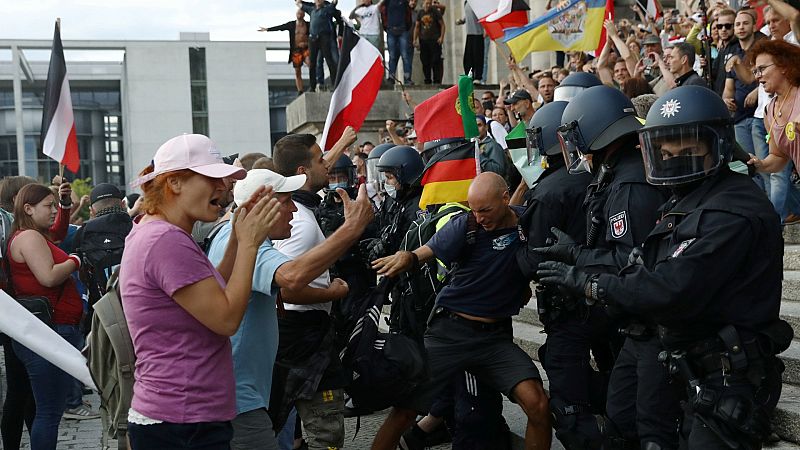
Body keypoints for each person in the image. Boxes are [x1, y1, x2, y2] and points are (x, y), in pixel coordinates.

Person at [538, 85, 787, 449]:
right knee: (628, 425)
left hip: (723, 369)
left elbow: (669, 286)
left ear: (717, 145)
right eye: (665, 152)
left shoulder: (729, 210)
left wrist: (589, 280)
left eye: (688, 150)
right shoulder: (689, 198)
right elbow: (647, 261)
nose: (675, 161)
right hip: (685, 354)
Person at [120, 134, 281, 449]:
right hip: (182, 419)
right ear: (174, 183)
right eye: (211, 178)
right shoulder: (166, 240)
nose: (223, 187)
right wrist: (250, 244)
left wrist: (237, 238)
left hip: (179, 415)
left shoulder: (158, 231)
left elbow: (213, 291)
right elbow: (226, 319)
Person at [369, 172, 552, 450]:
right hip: (450, 333)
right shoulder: (465, 225)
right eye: (474, 210)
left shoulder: (527, 223)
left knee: (538, 404)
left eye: (485, 210)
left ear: (505, 199)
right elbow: (425, 252)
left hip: (495, 340)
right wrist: (407, 257)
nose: (479, 217)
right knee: (405, 409)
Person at [206, 168, 373, 450]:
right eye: (286, 201)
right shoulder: (249, 245)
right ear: (259, 207)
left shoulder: (231, 234)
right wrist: (352, 228)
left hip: (240, 392)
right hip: (238, 397)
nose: (294, 209)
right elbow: (292, 278)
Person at [545, 85, 674, 449]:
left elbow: (631, 260)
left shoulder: (629, 183)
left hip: (653, 322)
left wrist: (577, 257)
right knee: (621, 414)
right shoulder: (621, 172)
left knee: (647, 426)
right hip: (639, 323)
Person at [515, 101, 597, 449]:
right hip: (602, 295)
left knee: (569, 405)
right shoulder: (594, 176)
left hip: (568, 306)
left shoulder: (548, 191)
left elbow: (534, 260)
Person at [6, 183, 84, 450]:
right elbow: (48, 277)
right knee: (49, 412)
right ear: (28, 209)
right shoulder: (29, 237)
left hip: (49, 329)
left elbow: (58, 232)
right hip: (49, 330)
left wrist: (65, 205)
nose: (53, 211)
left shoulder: (33, 235)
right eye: (48, 206)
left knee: (48, 410)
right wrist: (75, 260)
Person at [723, 9, 764, 163]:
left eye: (745, 23)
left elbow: (754, 78)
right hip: (740, 118)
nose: (741, 27)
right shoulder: (734, 53)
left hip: (760, 117)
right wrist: (726, 100)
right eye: (738, 24)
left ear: (754, 27)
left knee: (766, 166)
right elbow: (728, 89)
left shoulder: (762, 48)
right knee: (749, 165)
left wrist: (757, 91)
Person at [260, 10, 310, 95]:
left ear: (304, 15)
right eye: (298, 13)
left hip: (305, 48)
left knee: (310, 63)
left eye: (301, 13)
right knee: (297, 71)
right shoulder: (291, 24)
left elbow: (314, 33)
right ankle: (300, 90)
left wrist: (306, 43)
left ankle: (313, 84)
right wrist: (268, 29)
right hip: (296, 50)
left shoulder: (308, 25)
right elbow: (280, 27)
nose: (299, 14)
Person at [297, 0, 341, 92]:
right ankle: (312, 86)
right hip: (313, 39)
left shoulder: (327, 9)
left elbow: (334, 3)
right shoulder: (311, 9)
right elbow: (299, 4)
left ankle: (335, 84)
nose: (318, 0)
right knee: (312, 63)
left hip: (324, 38)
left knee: (329, 60)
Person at [380, 0, 414, 85]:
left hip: (402, 30)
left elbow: (409, 14)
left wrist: (406, 27)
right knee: (392, 56)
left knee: (405, 56)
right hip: (391, 31)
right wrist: (387, 27)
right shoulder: (387, 2)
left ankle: (407, 78)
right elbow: (382, 13)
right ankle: (391, 78)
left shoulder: (404, 2)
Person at [413, 0, 445, 85]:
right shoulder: (420, 13)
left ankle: (436, 79)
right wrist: (415, 39)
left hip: (434, 39)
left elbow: (442, 24)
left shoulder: (435, 12)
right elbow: (417, 26)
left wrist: (441, 37)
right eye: (426, 3)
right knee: (425, 61)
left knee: (435, 60)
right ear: (423, 4)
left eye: (429, 4)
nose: (428, 5)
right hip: (423, 40)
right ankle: (427, 79)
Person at [461, 0, 485, 82]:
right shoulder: (466, 2)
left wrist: (486, 30)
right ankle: (469, 76)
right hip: (469, 33)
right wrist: (462, 20)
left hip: (478, 33)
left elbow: (483, 15)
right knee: (468, 58)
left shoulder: (478, 3)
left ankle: (478, 77)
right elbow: (468, 15)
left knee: (477, 56)